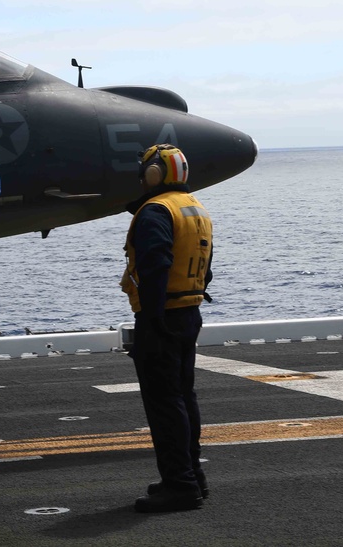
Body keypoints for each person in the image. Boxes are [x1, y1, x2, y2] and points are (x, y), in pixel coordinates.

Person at [119, 143, 213, 513]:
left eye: (146, 169)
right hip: (189, 311)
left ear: (156, 173)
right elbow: (206, 263)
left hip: (163, 315)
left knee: (164, 404)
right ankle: (191, 476)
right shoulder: (194, 208)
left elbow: (156, 263)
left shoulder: (155, 210)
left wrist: (153, 319)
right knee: (183, 397)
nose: (143, 176)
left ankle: (181, 485)